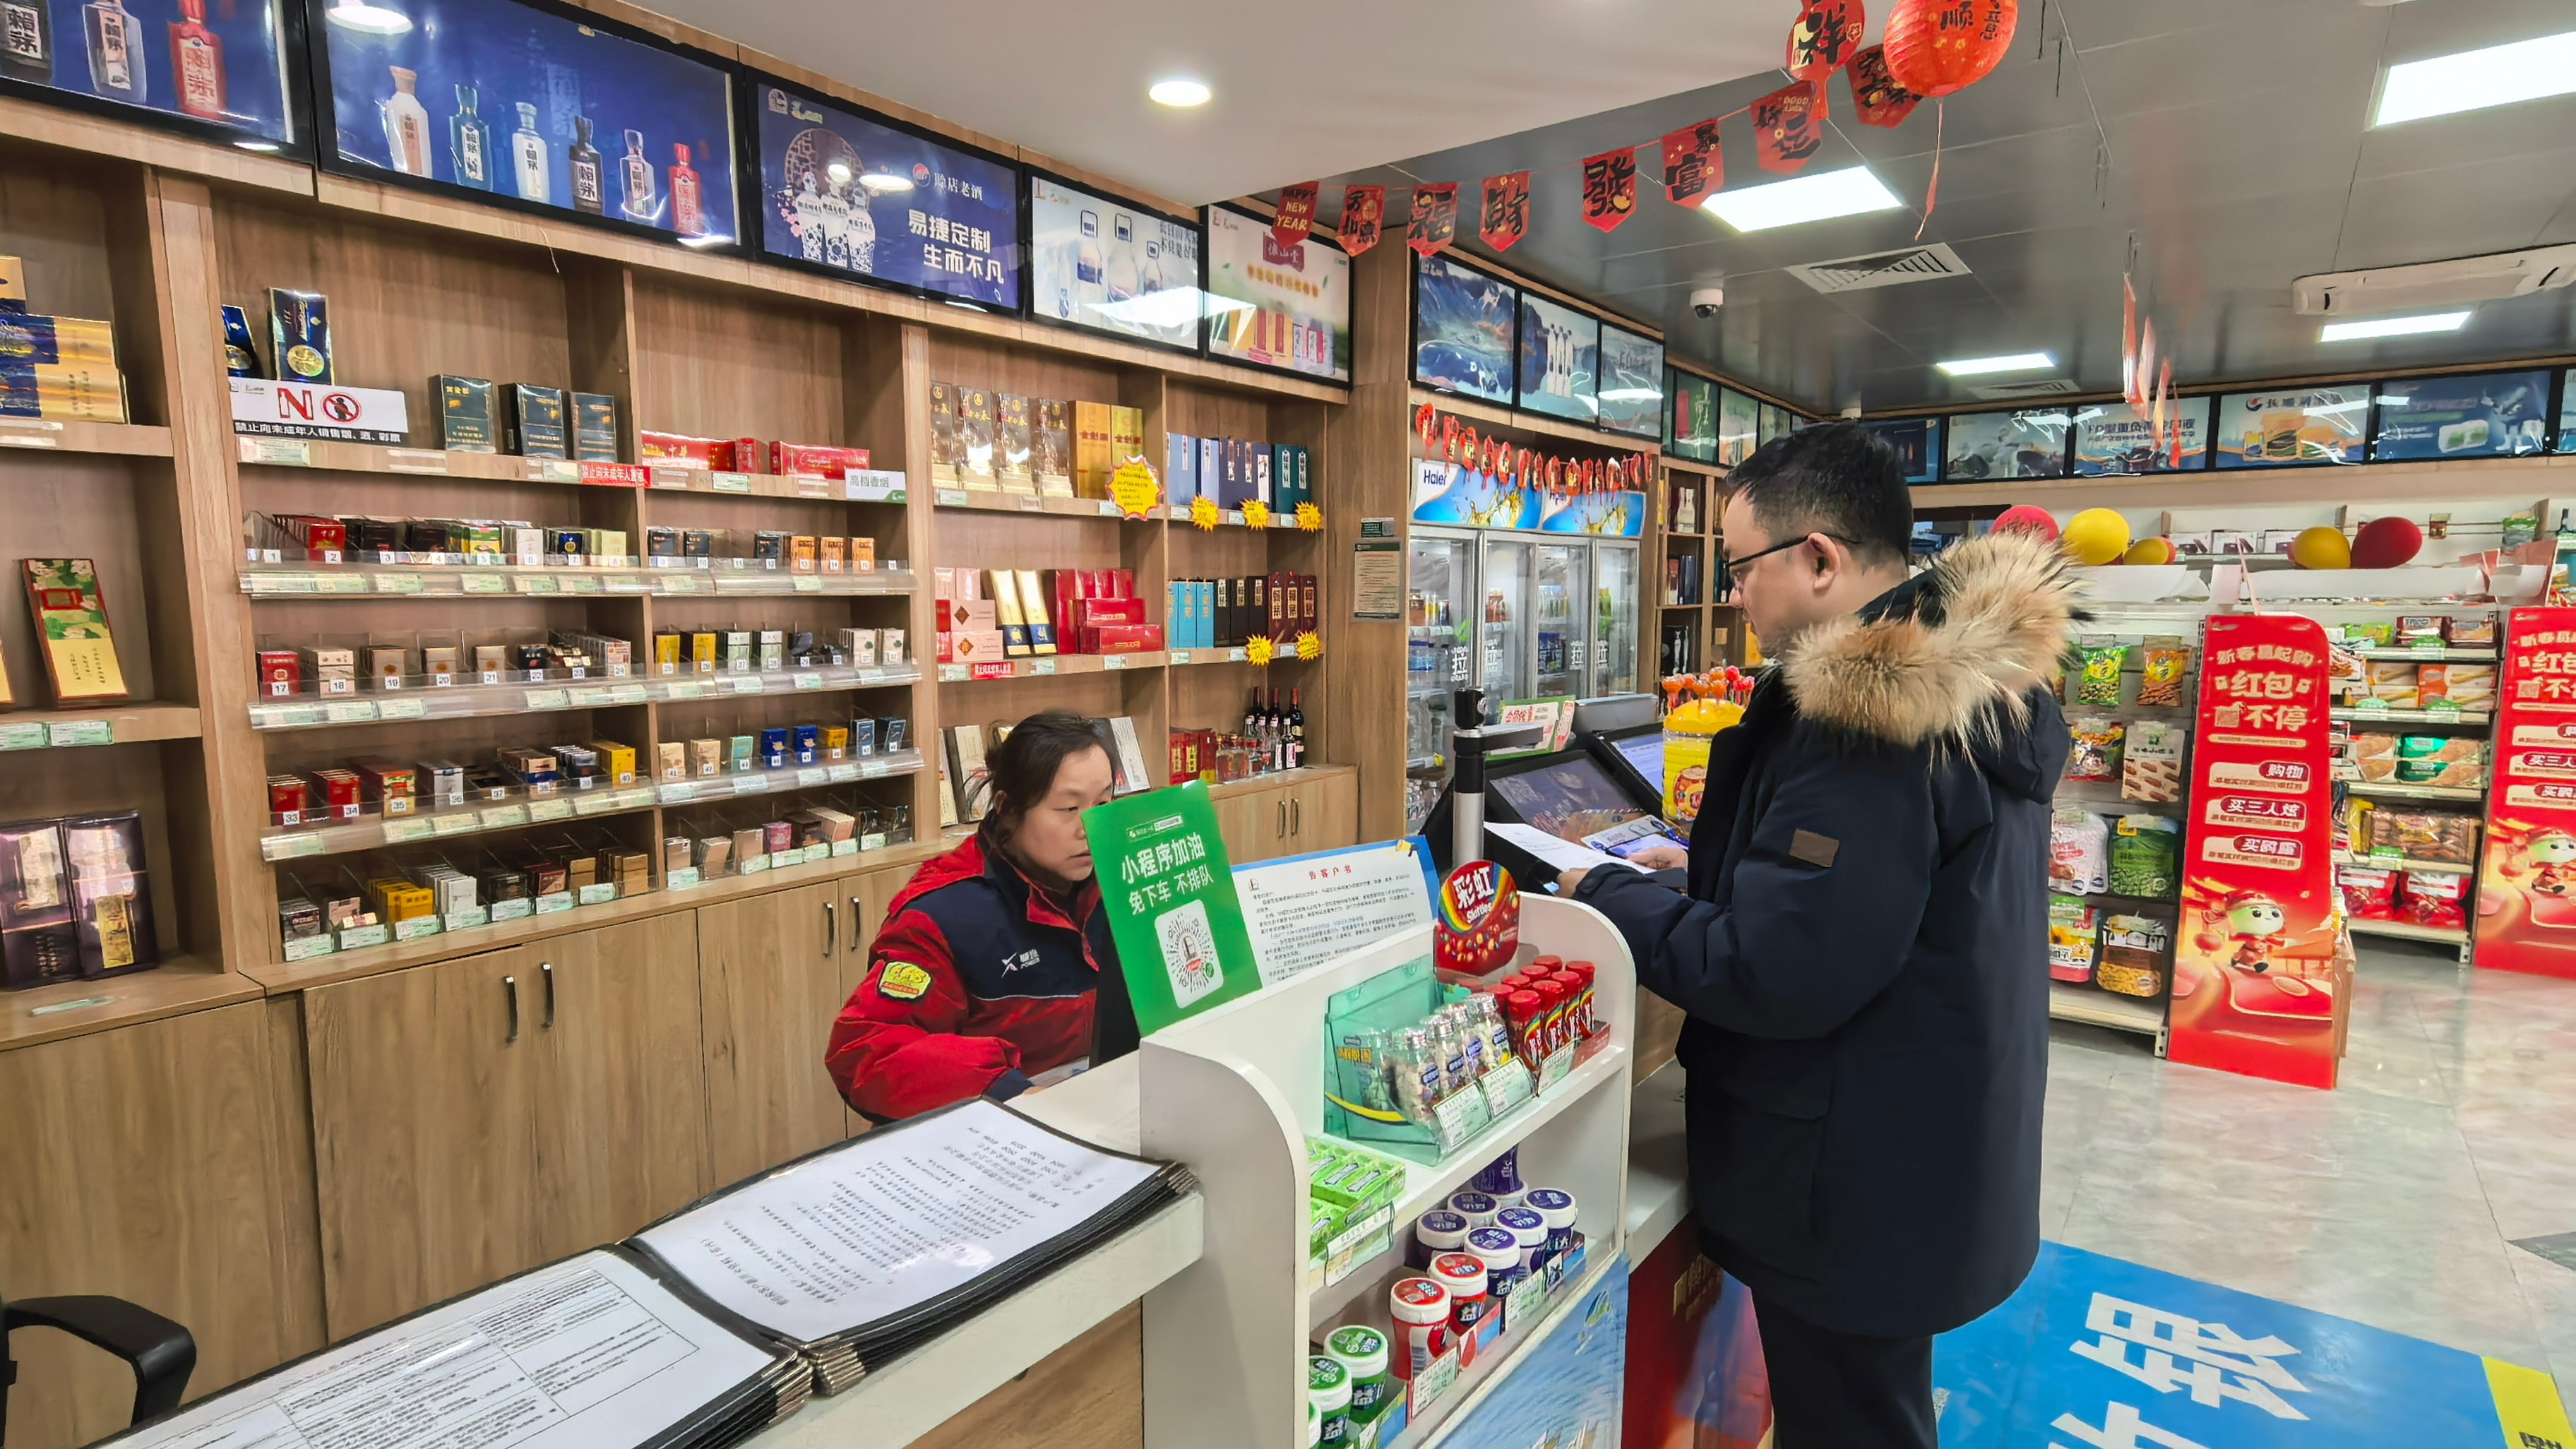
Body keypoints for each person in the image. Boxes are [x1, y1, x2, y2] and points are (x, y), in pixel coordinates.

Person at [1561, 424, 2075, 1449]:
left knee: (1849, 1420)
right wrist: (1699, 878)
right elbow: (1872, 900)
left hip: (1853, 1175)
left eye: (1740, 567)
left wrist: (1606, 891)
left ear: (1822, 560)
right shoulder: (1964, 683)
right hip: (1921, 1138)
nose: (1735, 595)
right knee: (1869, 1407)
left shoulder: (1868, 728)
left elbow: (1778, 969)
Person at [825, 709, 1138, 1120]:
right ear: (1008, 808)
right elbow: (865, 1050)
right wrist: (1002, 1089)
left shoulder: (1126, 877)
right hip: (1004, 1125)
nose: (1090, 827)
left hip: (1117, 1105)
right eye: (1068, 809)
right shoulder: (944, 915)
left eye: (1102, 804)